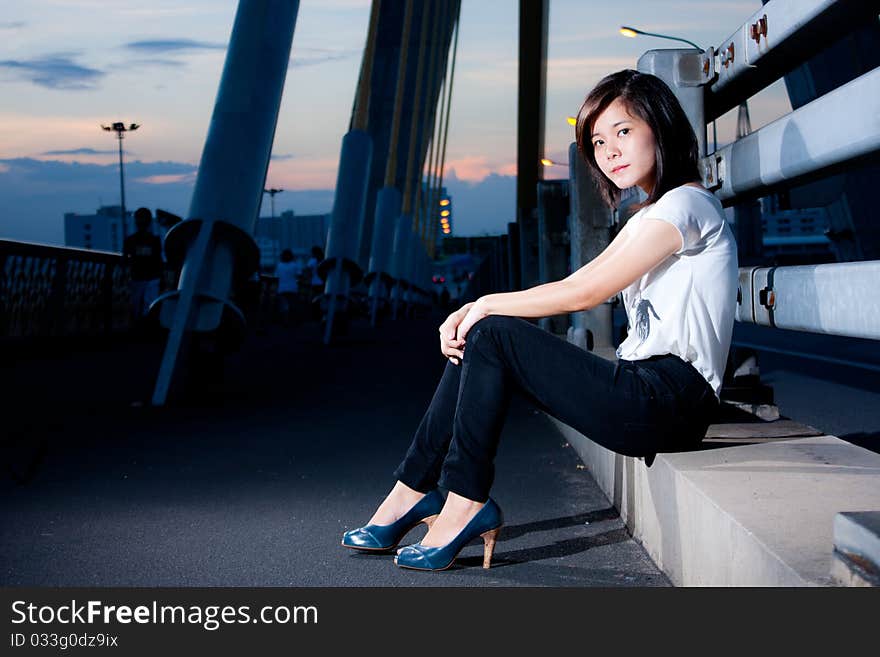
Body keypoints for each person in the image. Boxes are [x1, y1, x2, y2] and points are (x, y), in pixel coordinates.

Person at [341, 70, 738, 571]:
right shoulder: (646, 217)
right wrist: (474, 310)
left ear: (659, 127)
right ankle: (412, 491)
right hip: (644, 390)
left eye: (623, 131)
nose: (609, 151)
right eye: (597, 141)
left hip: (669, 399)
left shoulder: (687, 204)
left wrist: (483, 303)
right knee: (485, 335)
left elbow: (586, 292)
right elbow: (579, 279)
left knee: (493, 332)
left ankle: (462, 500)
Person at [123, 207, 163, 323]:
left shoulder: (131, 240)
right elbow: (158, 259)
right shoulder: (154, 240)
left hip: (143, 278)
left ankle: (142, 328)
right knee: (144, 307)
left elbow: (125, 260)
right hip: (145, 278)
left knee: (141, 307)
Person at [274, 248, 302, 327]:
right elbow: (299, 275)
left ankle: (285, 322)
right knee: (293, 305)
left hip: (282, 288)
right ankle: (294, 322)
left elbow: (276, 277)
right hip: (293, 288)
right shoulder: (294, 265)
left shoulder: (279, 265)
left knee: (284, 306)